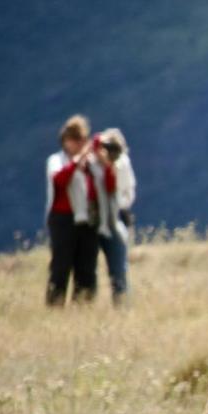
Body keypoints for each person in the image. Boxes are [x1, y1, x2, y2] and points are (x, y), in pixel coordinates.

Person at [44, 116, 100, 306]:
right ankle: (55, 305)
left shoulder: (91, 164)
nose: (78, 143)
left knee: (86, 268)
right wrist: (76, 162)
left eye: (82, 139)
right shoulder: (56, 161)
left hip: (87, 220)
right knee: (61, 266)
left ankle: (83, 306)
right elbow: (59, 180)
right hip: (63, 219)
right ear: (65, 140)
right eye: (74, 139)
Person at [93, 128, 134, 305]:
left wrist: (118, 204)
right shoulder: (92, 165)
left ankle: (122, 302)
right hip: (93, 221)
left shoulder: (123, 164)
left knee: (119, 267)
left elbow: (128, 192)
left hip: (116, 218)